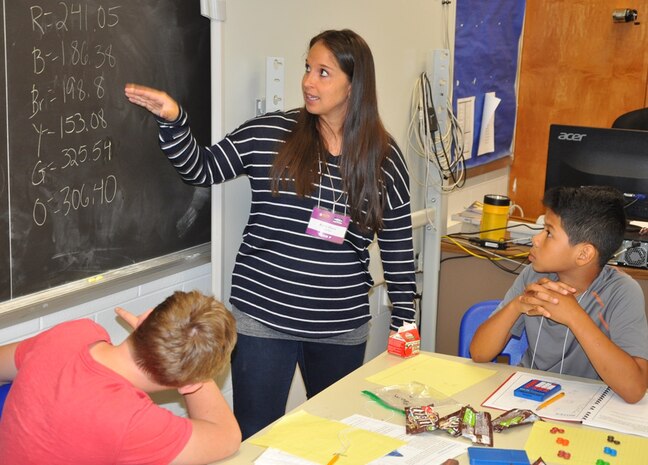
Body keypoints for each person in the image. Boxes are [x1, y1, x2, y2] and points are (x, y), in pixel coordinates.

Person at [124, 28, 417, 438]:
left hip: (340, 326)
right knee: (256, 434)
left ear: (355, 84)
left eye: (324, 73)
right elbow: (201, 169)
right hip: (261, 319)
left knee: (332, 436)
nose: (308, 82)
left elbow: (399, 251)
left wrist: (405, 326)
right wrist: (174, 120)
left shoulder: (383, 159)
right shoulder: (270, 134)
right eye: (307, 69)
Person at [0, 290, 241, 464]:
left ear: (146, 318)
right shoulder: (135, 422)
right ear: (189, 383)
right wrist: (197, 375)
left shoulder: (75, 332)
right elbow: (227, 437)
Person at [470, 186, 648, 403]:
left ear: (584, 254)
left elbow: (634, 389)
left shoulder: (621, 291)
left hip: (588, 403)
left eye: (549, 232)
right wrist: (517, 305)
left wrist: (574, 315)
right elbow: (479, 353)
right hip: (529, 397)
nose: (536, 239)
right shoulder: (532, 275)